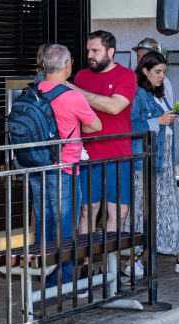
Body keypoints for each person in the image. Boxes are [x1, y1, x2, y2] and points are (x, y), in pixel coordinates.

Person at [34, 44, 101, 293]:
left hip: (38, 167)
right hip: (65, 168)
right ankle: (65, 281)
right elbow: (95, 125)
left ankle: (46, 278)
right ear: (66, 65)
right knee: (65, 225)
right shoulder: (72, 96)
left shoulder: (34, 91)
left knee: (44, 223)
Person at [130, 51, 179, 275]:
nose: (162, 76)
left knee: (166, 208)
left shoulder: (158, 94)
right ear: (145, 71)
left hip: (163, 160)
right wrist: (158, 120)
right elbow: (131, 126)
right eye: (157, 72)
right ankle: (137, 258)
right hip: (147, 161)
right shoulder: (138, 94)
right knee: (143, 209)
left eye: (164, 72)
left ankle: (178, 254)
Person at [72, 31, 138, 237]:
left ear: (110, 51)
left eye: (95, 50)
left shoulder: (126, 75)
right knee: (87, 211)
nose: (90, 55)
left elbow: (115, 106)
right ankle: (86, 266)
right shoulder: (81, 76)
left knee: (119, 212)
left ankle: (111, 267)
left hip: (119, 156)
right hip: (88, 155)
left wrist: (75, 91)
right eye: (88, 51)